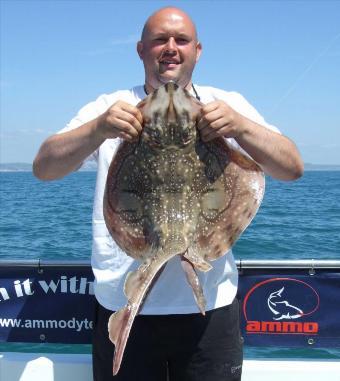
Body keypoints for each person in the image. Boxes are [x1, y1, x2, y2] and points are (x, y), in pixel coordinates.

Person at [33, 6, 304, 381]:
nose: (171, 47)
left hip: (209, 314)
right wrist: (98, 128)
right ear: (142, 49)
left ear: (198, 50)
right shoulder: (110, 107)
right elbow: (44, 168)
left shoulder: (226, 104)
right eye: (160, 40)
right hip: (123, 305)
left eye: (182, 40)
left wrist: (240, 127)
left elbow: (292, 168)